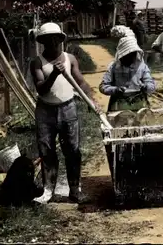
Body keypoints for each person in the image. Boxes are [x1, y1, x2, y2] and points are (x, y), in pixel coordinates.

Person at [30, 22, 100, 204]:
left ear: (60, 40)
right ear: (43, 42)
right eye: (48, 39)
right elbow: (41, 90)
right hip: (45, 111)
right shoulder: (37, 63)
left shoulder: (70, 59)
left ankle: (75, 189)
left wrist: (91, 100)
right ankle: (48, 191)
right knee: (47, 150)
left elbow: (81, 83)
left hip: (68, 108)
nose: (53, 42)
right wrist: (53, 74)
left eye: (56, 39)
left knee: (73, 150)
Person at [99, 35, 156, 112]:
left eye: (133, 55)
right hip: (118, 105)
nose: (130, 58)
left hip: (139, 104)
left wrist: (145, 87)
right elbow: (103, 86)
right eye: (127, 56)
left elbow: (151, 85)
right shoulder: (113, 67)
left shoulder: (142, 67)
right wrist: (115, 90)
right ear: (122, 55)